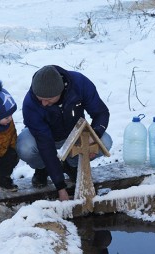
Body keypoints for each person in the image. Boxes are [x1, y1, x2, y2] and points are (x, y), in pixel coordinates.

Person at [16, 65, 112, 201]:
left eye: (48, 99)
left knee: (105, 142)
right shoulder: (30, 103)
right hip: (45, 136)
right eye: (40, 99)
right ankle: (43, 168)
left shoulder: (80, 84)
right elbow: (45, 143)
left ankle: (72, 165)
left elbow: (101, 112)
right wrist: (60, 187)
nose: (43, 103)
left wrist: (94, 134)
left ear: (60, 91)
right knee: (25, 147)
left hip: (74, 134)